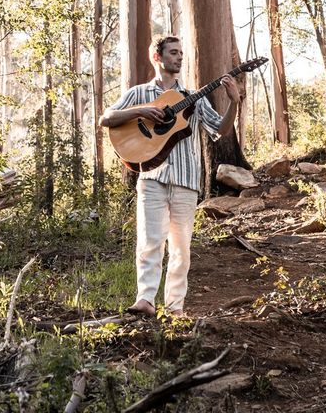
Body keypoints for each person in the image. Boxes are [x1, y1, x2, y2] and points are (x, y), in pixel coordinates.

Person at [99, 35, 240, 316]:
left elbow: (219, 131)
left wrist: (234, 102)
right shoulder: (139, 92)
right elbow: (107, 118)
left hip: (187, 181)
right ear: (157, 57)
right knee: (150, 242)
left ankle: (175, 308)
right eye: (173, 52)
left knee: (181, 250)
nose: (179, 57)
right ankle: (145, 300)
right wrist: (141, 111)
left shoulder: (192, 98)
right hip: (152, 177)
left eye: (181, 52)